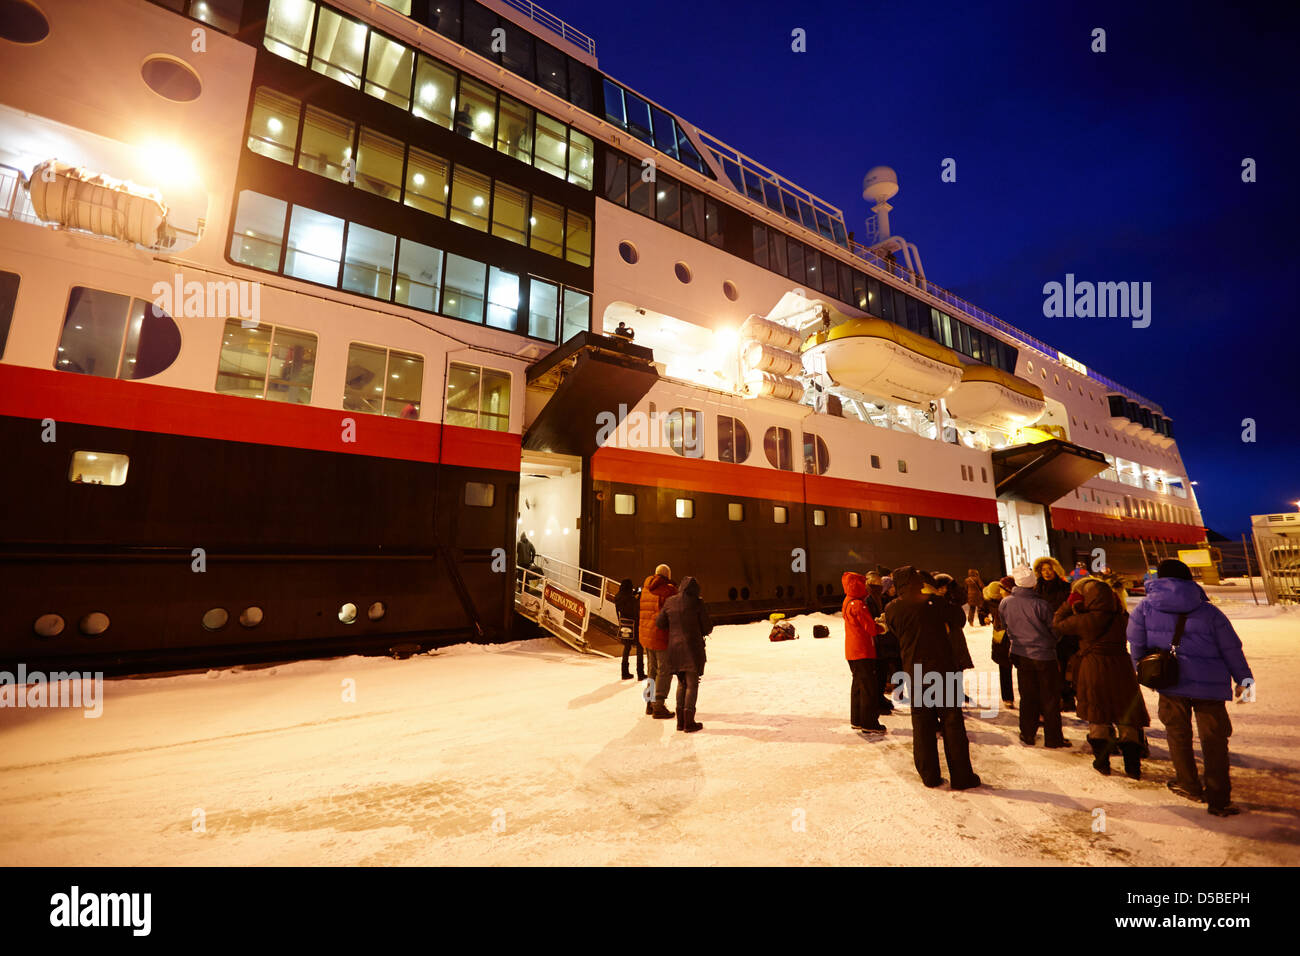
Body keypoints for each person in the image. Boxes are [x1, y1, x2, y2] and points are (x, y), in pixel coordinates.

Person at [1129, 559, 1254, 817]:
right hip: (1209, 685)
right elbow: (1231, 648)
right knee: (1215, 739)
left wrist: (1143, 672)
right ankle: (1219, 798)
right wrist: (1244, 680)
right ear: (1188, 579)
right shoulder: (1208, 611)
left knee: (1177, 735)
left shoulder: (1144, 608)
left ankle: (1188, 784)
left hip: (1169, 682)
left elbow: (1136, 645)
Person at [884, 566, 981, 790]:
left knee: (922, 724)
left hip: (915, 672)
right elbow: (959, 618)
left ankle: (929, 775)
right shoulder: (936, 603)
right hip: (944, 670)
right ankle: (961, 776)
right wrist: (936, 597)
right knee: (952, 723)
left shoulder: (893, 608)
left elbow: (895, 632)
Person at [1053, 577, 1149, 778]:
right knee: (1126, 716)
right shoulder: (1122, 616)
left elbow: (1058, 623)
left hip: (1094, 667)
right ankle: (1133, 766)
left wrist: (1070, 603)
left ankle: (1102, 761)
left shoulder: (1086, 620)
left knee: (1098, 714)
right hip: (1122, 667)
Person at [1001, 566, 1068, 748]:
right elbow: (1054, 629)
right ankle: (1053, 738)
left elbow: (1004, 624)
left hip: (1020, 654)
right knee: (1050, 698)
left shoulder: (1006, 603)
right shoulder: (1041, 604)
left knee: (1028, 696)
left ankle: (1027, 734)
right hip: (1044, 656)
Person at [655, 576, 712, 732]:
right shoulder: (697, 603)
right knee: (692, 685)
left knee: (681, 684)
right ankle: (689, 722)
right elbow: (707, 627)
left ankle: (680, 722)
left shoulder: (670, 601)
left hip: (674, 649)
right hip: (693, 649)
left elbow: (660, 623)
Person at [842, 572, 886, 734]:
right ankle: (869, 723)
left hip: (852, 650)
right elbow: (870, 629)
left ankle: (857, 719)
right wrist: (882, 627)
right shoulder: (859, 605)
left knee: (858, 685)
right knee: (868, 687)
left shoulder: (848, 601)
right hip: (863, 650)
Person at [1034, 556, 1075, 710]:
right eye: (1043, 569)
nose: (1047, 572)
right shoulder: (1037, 588)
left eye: (1049, 569)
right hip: (1045, 633)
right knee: (1050, 668)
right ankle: (1053, 698)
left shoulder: (1065, 587)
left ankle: (1068, 697)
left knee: (1065, 667)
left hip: (1064, 632)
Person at [638, 564, 678, 718]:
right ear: (667, 575)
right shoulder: (668, 591)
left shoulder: (646, 589)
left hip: (647, 636)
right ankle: (659, 706)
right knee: (664, 670)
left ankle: (649, 702)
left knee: (652, 669)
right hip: (660, 636)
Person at [985, 575, 1015, 708]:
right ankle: (1008, 697)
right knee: (1004, 667)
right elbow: (984, 611)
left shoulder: (1016, 602)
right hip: (1001, 637)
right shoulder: (993, 602)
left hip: (1016, 637)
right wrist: (985, 617)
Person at [613, 578, 645, 682]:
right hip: (634, 625)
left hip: (624, 626)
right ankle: (640, 673)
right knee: (640, 647)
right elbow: (635, 610)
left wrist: (634, 594)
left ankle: (624, 672)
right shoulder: (631, 599)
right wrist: (638, 596)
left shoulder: (618, 597)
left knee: (627, 647)